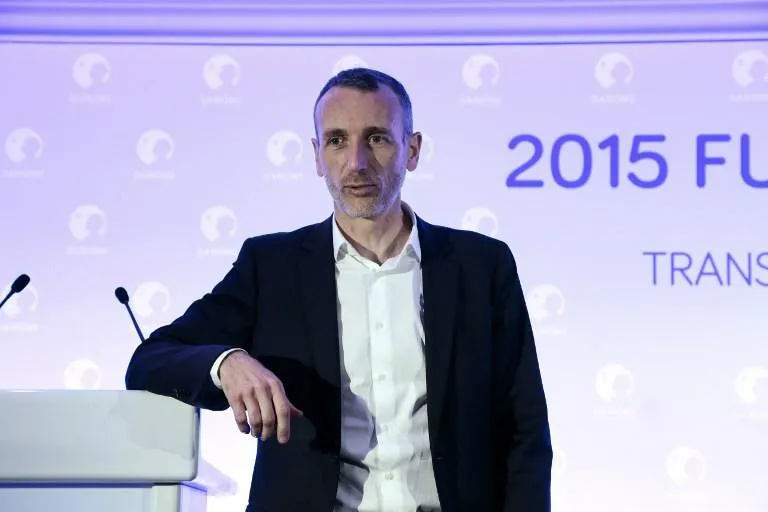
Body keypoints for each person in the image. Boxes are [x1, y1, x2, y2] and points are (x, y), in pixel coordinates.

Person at [125, 67, 552, 512]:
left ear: (413, 149)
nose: (356, 163)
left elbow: (525, 431)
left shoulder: (481, 265)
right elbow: (150, 361)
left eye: (377, 138)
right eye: (336, 141)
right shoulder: (272, 266)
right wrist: (226, 363)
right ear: (316, 155)